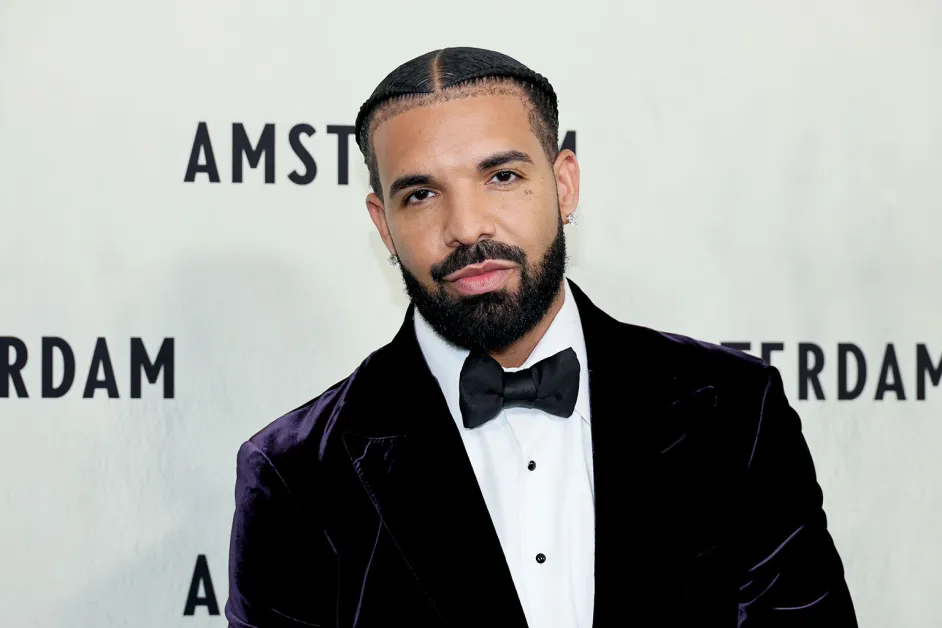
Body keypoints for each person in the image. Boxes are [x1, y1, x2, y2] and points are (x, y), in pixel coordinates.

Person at [224, 47, 857, 628]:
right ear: (383, 225)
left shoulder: (735, 410)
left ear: (563, 184)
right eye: (420, 194)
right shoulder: (296, 473)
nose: (467, 227)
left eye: (501, 176)